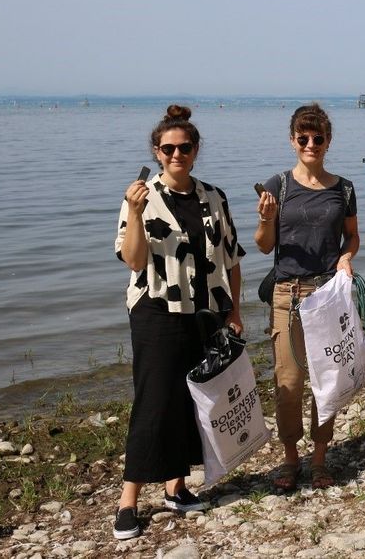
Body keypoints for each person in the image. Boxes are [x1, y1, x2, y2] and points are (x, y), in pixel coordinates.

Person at [113, 104, 245, 540]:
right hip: (155, 310)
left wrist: (235, 312)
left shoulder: (213, 196)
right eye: (168, 148)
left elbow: (232, 258)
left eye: (184, 147)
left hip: (203, 311)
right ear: (156, 151)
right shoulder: (141, 196)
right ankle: (128, 500)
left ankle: (176, 486)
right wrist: (134, 213)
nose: (176, 154)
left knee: (193, 397)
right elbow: (132, 260)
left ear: (195, 149)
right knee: (153, 400)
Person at [255, 103, 359, 490]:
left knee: (325, 380)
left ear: (328, 141)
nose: (311, 143)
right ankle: (290, 459)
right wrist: (266, 218)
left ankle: (319, 459)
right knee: (289, 381)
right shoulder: (277, 186)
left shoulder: (343, 188)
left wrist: (347, 257)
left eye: (318, 138)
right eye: (303, 137)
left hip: (328, 293)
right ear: (292, 140)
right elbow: (264, 246)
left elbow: (352, 236)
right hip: (287, 294)